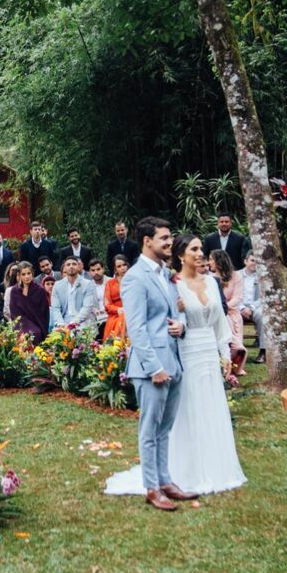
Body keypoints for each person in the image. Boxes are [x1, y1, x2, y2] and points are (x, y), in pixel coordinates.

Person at [107, 230, 243, 499]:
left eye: (200, 248)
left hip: (207, 353)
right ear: (181, 255)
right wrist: (179, 328)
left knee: (210, 408)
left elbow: (218, 320)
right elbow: (149, 323)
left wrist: (225, 353)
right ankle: (171, 477)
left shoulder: (210, 283)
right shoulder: (172, 282)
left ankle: (215, 467)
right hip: (185, 353)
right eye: (193, 249)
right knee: (178, 417)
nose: (200, 253)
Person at [105, 218, 191, 512]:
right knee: (150, 429)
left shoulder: (166, 273)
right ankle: (152, 487)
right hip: (150, 367)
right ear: (147, 241)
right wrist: (155, 367)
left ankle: (165, 480)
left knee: (165, 428)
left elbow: (176, 312)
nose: (170, 243)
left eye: (170, 237)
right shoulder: (134, 278)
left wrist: (181, 325)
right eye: (164, 238)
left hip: (174, 360)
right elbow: (137, 328)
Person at [211, 250, 247, 367]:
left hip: (231, 312)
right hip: (217, 313)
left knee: (228, 320)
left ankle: (235, 356)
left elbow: (238, 297)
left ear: (219, 262)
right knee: (223, 321)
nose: (209, 262)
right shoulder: (209, 278)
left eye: (211, 259)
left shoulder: (236, 276)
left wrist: (224, 308)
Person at [50, 256, 101, 332]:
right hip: (64, 321)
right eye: (68, 265)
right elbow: (55, 308)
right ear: (65, 268)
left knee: (78, 335)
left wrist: (72, 324)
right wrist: (61, 324)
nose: (71, 266)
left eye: (74, 264)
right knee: (56, 337)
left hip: (83, 321)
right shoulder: (57, 285)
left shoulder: (88, 284)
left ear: (79, 267)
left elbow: (87, 308)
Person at [101, 253, 129, 342]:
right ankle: (118, 345)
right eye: (119, 266)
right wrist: (118, 309)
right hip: (115, 315)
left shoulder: (135, 281)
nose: (123, 268)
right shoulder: (110, 283)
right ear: (115, 269)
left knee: (125, 316)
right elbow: (107, 304)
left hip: (131, 312)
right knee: (123, 317)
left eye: (124, 265)